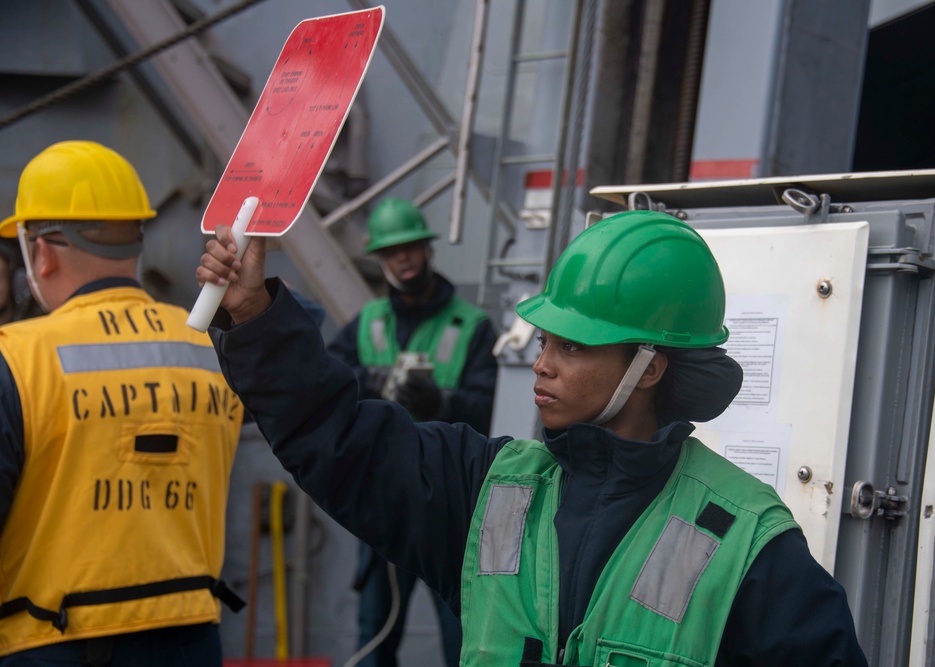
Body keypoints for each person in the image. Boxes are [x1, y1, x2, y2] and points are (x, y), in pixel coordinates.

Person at [198, 209, 869, 666]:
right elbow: (338, 435)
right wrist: (256, 317)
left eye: (573, 346)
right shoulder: (488, 487)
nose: (542, 362)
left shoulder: (745, 543)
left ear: (650, 365)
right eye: (545, 339)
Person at [0, 140, 245, 666]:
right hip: (190, 641)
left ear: (39, 253)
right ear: (135, 241)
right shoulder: (211, 347)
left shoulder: (16, 358)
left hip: (49, 645)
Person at [328, 197, 498, 667]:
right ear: (381, 260)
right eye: (391, 252)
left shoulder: (473, 327)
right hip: (382, 494)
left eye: (410, 248)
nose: (402, 259)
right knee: (374, 627)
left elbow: (491, 410)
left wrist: (440, 403)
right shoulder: (366, 325)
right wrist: (374, 381)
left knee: (461, 630)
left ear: (427, 250)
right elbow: (328, 388)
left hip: (451, 499)